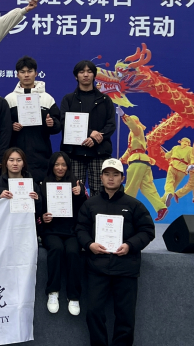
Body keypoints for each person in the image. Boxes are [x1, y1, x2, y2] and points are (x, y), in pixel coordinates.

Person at [75, 159, 155, 346]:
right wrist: (89, 244)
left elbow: (147, 231)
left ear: (122, 178)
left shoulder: (134, 205)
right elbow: (80, 229)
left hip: (126, 268)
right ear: (101, 177)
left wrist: (129, 245)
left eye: (115, 174)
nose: (111, 178)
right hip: (97, 267)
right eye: (107, 174)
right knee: (93, 312)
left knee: (125, 317)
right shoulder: (90, 204)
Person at [59, 60, 116, 196]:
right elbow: (65, 122)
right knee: (74, 192)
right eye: (82, 72)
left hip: (99, 152)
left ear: (94, 75)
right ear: (76, 76)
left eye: (89, 72)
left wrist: (95, 139)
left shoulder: (105, 100)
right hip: (75, 153)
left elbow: (111, 125)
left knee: (100, 192)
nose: (86, 75)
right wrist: (90, 133)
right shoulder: (68, 99)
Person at [40, 152, 87, 316]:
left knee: (73, 252)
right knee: (57, 249)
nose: (60, 168)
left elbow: (85, 209)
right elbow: (39, 210)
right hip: (51, 230)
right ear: (51, 166)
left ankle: (73, 296)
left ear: (68, 166)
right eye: (57, 164)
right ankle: (53, 291)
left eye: (63, 165)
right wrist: (43, 217)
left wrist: (80, 194)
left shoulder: (77, 184)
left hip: (71, 230)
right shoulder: (43, 184)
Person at [4, 56, 62, 183]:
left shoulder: (47, 98)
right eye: (22, 72)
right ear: (17, 75)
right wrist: (11, 126)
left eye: (29, 71)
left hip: (41, 155)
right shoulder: (9, 99)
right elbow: (2, 126)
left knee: (39, 190)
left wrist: (51, 123)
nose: (26, 75)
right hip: (16, 154)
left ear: (36, 73)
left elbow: (58, 125)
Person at [118, 111, 168, 221]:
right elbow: (130, 150)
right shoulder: (134, 135)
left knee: (131, 186)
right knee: (147, 188)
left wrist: (123, 115)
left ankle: (125, 209)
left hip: (137, 161)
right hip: (143, 162)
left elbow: (133, 126)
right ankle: (161, 208)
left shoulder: (137, 130)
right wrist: (121, 160)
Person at [0, 148, 43, 213]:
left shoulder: (31, 184)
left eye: (19, 160)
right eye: (11, 160)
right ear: (6, 163)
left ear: (23, 163)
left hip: (24, 218)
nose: (15, 163)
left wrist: (37, 200)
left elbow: (39, 211)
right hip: (3, 219)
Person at [161, 137, 193, 205]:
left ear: (181, 142)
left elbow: (166, 156)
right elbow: (193, 160)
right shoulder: (191, 150)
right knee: (174, 186)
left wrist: (169, 154)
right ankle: (163, 201)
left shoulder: (175, 147)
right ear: (189, 144)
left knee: (169, 183)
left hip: (173, 166)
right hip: (182, 170)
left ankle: (168, 194)